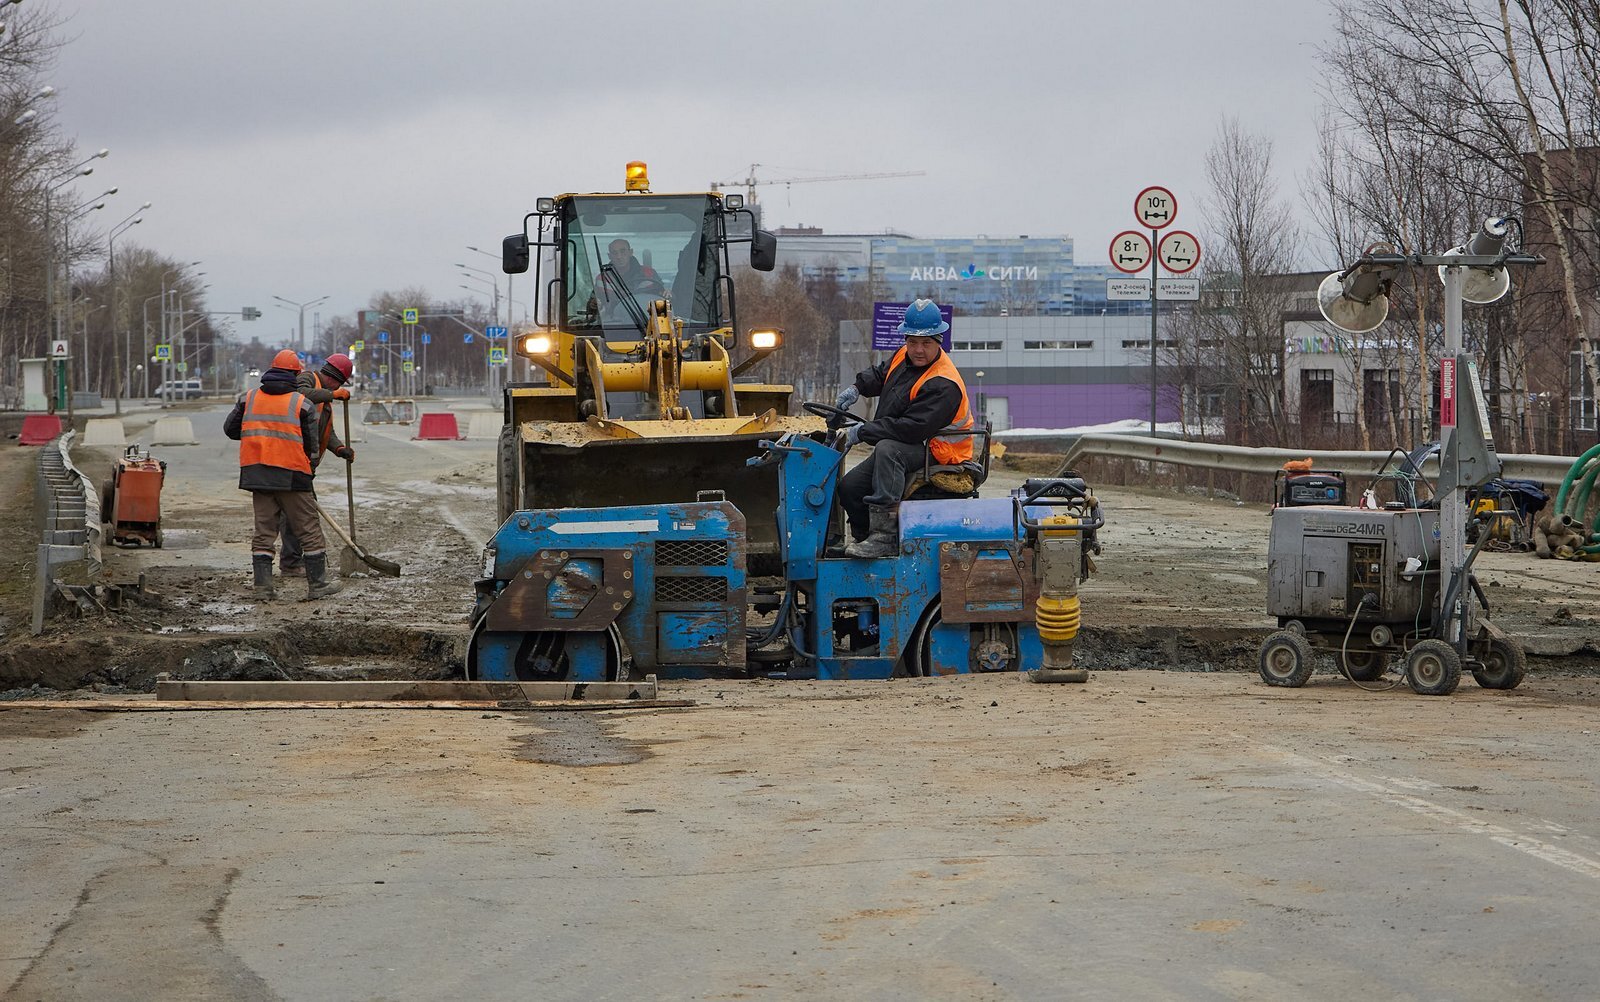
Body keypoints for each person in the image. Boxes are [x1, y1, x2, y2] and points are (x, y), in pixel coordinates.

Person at [834, 299, 976, 558]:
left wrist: (862, 431)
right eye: (913, 342)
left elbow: (910, 429)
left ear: (939, 341)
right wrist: (857, 388)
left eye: (926, 343)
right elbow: (880, 375)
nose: (918, 349)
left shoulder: (944, 382)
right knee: (849, 487)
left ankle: (884, 538)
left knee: (889, 449)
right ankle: (863, 540)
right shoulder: (904, 354)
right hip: (910, 443)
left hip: (940, 451)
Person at [223, 349, 343, 601]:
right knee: (309, 530)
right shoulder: (302, 404)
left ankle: (263, 588)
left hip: (256, 474)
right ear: (295, 375)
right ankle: (318, 584)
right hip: (292, 475)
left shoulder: (249, 398)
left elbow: (231, 430)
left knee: (264, 532)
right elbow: (311, 446)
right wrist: (308, 472)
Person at [277, 353, 356, 575]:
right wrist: (331, 394)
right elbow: (299, 395)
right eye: (339, 384)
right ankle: (291, 562)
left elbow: (325, 431)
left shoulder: (325, 402)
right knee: (298, 514)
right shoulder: (308, 379)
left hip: (305, 464)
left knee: (299, 513)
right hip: (292, 460)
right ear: (335, 378)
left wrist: (339, 448)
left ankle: (293, 560)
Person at [595, 238, 664, 320]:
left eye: (623, 251)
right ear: (609, 256)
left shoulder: (649, 273)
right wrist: (594, 305)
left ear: (630, 252)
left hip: (649, 322)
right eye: (614, 253)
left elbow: (662, 297)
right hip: (614, 326)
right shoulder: (602, 279)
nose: (619, 256)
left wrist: (667, 293)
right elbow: (595, 305)